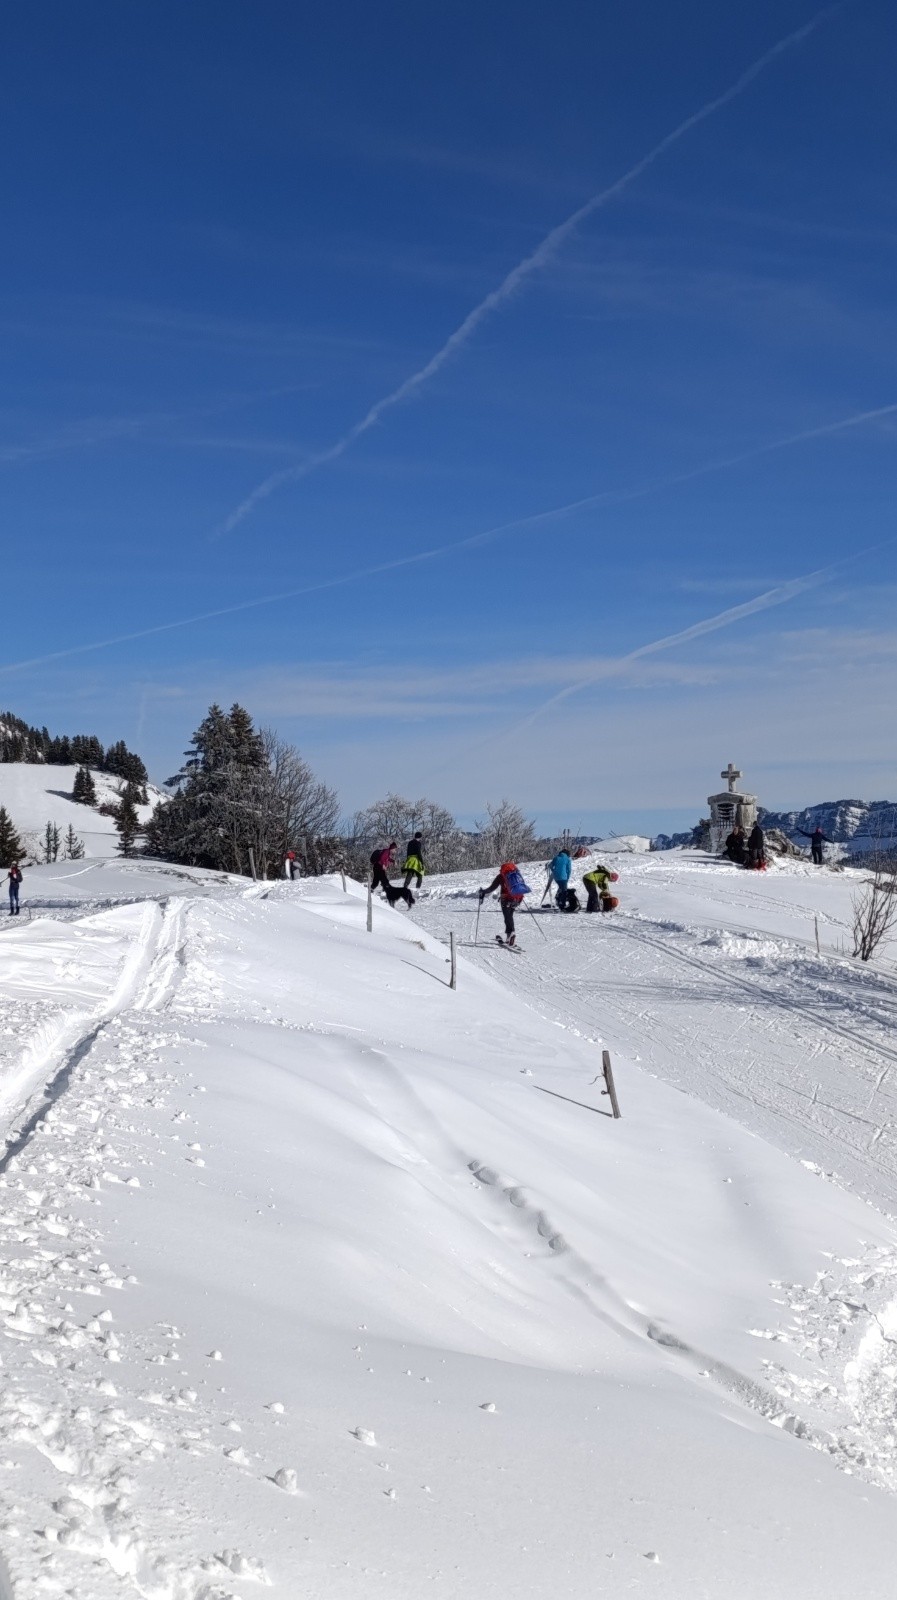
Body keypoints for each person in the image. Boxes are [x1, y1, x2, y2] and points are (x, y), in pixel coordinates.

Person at [479, 861, 528, 946]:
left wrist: (483, 891)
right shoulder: (516, 874)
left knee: (507, 917)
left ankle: (511, 933)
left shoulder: (501, 876)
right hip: (517, 898)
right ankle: (509, 936)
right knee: (510, 916)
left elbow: (491, 888)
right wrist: (518, 898)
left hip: (505, 898)